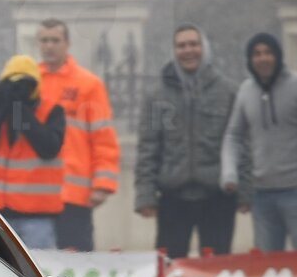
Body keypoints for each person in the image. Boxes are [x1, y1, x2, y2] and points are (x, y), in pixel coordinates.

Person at [135, 24, 240, 258]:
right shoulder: (156, 96)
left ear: (205, 49)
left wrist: (246, 192)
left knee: (217, 270)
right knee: (170, 268)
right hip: (173, 199)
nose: (188, 50)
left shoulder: (229, 92)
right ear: (173, 51)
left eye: (194, 44)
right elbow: (148, 148)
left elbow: (242, 144)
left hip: (218, 198)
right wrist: (145, 195)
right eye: (181, 45)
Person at [36, 18, 121, 251]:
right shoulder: (31, 82)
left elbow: (103, 137)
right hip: (36, 194)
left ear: (67, 44)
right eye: (44, 40)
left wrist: (102, 183)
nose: (49, 46)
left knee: (75, 266)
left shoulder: (88, 84)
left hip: (73, 195)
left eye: (55, 40)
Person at [0, 55, 66, 248]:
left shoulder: (52, 111)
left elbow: (49, 148)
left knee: (39, 272)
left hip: (37, 217)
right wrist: (2, 106)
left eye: (22, 84)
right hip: (0, 214)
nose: (16, 90)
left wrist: (21, 109)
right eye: (11, 84)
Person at [222, 33, 297, 251]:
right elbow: (233, 135)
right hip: (262, 196)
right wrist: (229, 173)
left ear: (278, 56)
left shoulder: (294, 86)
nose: (262, 59)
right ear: (250, 59)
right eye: (257, 54)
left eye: (268, 53)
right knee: (267, 267)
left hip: (294, 190)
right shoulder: (246, 91)